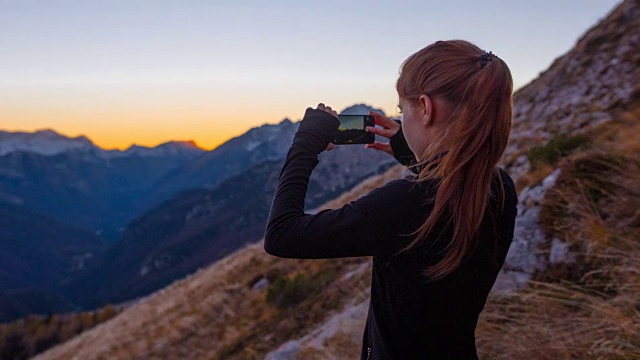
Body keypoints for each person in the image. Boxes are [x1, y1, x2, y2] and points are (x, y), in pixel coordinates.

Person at [264, 40, 518, 359]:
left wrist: (303, 146)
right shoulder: (499, 188)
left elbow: (282, 236)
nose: (400, 118)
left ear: (426, 108)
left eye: (402, 109)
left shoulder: (404, 203)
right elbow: (448, 193)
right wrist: (411, 152)